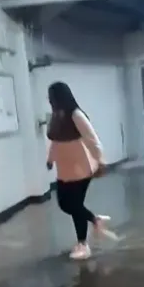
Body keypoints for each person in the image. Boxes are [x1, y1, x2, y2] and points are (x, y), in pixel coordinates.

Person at [45, 81, 109, 260]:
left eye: (52, 97)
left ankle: (83, 245)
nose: (50, 101)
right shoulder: (57, 116)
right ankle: (96, 220)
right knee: (65, 203)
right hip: (64, 168)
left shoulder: (76, 115)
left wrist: (101, 161)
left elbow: (92, 139)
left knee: (74, 205)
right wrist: (50, 159)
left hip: (81, 168)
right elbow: (55, 141)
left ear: (61, 97)